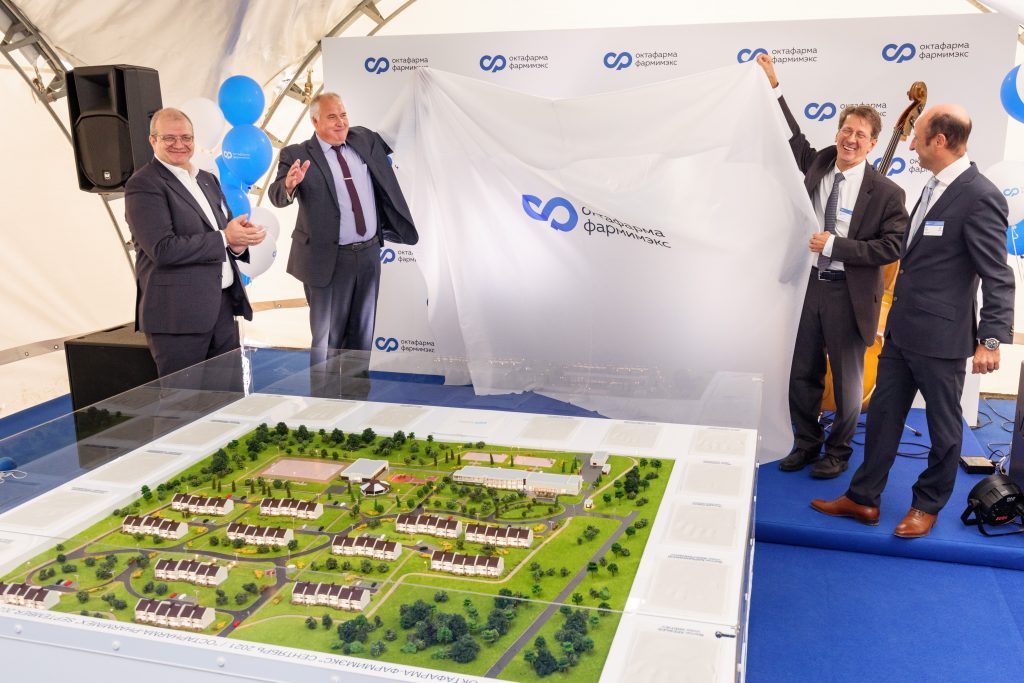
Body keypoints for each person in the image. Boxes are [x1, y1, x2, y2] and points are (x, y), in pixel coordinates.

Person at [812, 103, 1015, 538]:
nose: (910, 146)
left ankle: (927, 504)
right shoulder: (931, 185)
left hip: (942, 338)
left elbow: (998, 275)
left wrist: (991, 339)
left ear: (939, 141)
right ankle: (863, 498)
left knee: (944, 430)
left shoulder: (980, 195)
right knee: (882, 418)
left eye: (917, 137)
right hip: (902, 331)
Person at [757, 54, 908, 479]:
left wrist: (836, 245)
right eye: (846, 130)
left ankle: (838, 451)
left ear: (873, 144)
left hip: (849, 293)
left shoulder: (887, 192)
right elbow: (793, 139)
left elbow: (892, 246)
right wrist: (774, 86)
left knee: (847, 382)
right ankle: (806, 443)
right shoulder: (821, 162)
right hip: (808, 287)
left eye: (861, 135)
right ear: (838, 132)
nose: (851, 139)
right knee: (801, 372)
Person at [268, 92, 417, 353]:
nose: (341, 122)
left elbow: (396, 134)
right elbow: (276, 196)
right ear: (315, 122)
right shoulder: (296, 154)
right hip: (328, 260)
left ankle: (358, 382)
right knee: (328, 343)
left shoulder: (364, 139)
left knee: (362, 339)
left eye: (343, 115)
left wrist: (419, 97)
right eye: (332, 117)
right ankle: (324, 383)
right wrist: (289, 185)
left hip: (369, 255)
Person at [125, 108, 265, 377]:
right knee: (183, 399)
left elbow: (220, 232)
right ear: (153, 140)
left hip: (221, 308)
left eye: (186, 137)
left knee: (228, 396)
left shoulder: (207, 179)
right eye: (169, 138)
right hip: (177, 317)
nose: (179, 144)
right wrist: (225, 237)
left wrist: (238, 243)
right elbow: (162, 249)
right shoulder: (143, 184)